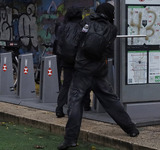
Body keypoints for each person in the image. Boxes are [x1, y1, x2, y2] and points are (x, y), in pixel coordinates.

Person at [57, 3, 139, 150]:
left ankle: (70, 140)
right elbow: (108, 52)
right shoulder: (112, 28)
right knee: (111, 101)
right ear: (110, 14)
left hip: (82, 69)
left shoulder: (86, 21)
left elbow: (76, 42)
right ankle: (131, 128)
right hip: (99, 71)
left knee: (75, 102)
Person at [55, 7, 91, 118]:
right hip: (80, 60)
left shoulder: (62, 27)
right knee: (83, 83)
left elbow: (59, 44)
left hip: (66, 60)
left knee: (66, 84)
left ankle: (59, 108)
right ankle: (85, 105)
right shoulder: (83, 27)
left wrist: (62, 57)